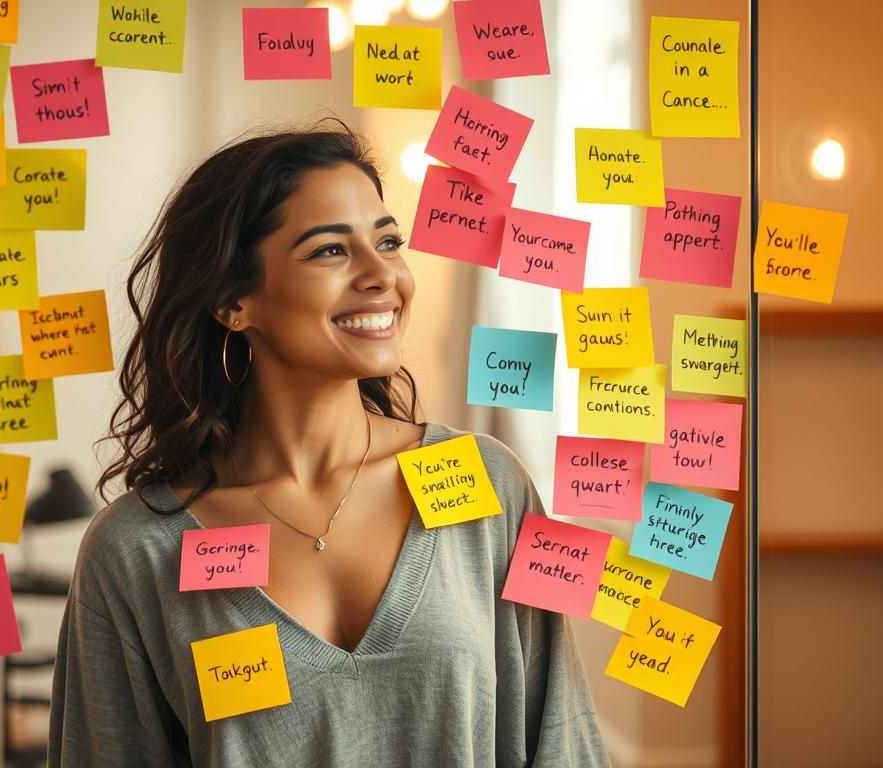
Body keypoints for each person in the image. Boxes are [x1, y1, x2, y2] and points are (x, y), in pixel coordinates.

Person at [48, 121, 609, 767]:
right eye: (329, 251)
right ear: (234, 301)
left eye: (389, 241)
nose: (382, 275)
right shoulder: (136, 550)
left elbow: (562, 739)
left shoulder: (485, 478)